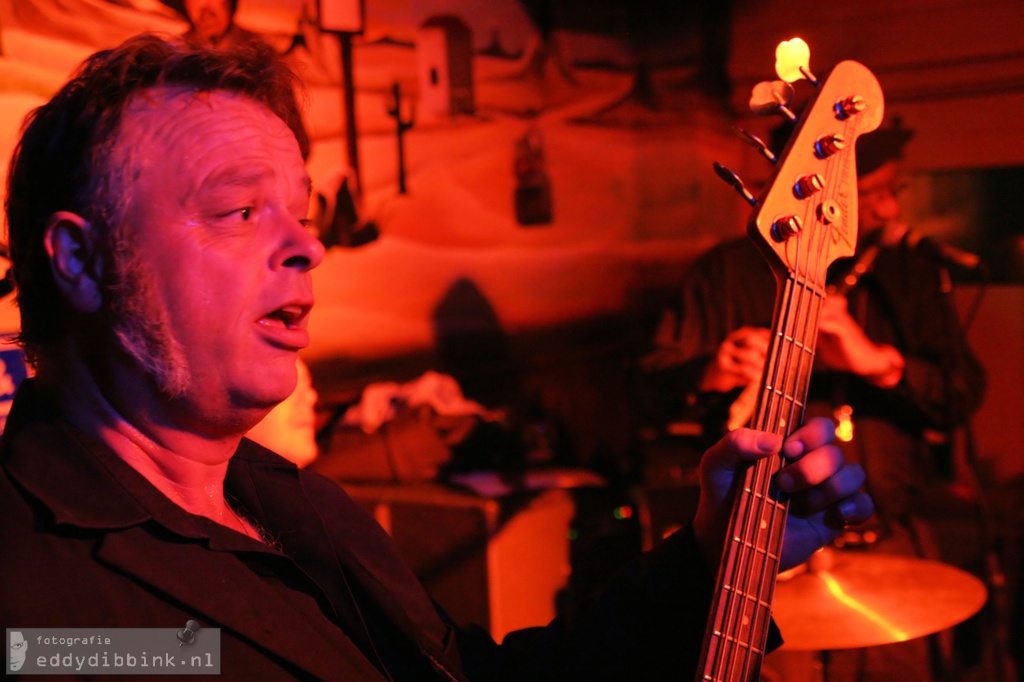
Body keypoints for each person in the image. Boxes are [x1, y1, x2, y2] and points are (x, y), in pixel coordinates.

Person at [0, 35, 872, 680]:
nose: (307, 245)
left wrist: (712, 557)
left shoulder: (294, 503)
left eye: (302, 212)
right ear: (79, 260)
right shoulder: (34, 605)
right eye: (238, 211)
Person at [640, 123, 987, 680]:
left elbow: (962, 395)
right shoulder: (726, 273)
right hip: (764, 560)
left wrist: (880, 364)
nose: (888, 207)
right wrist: (709, 370)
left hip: (890, 543)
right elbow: (648, 394)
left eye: (893, 188)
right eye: (871, 193)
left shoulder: (909, 274)